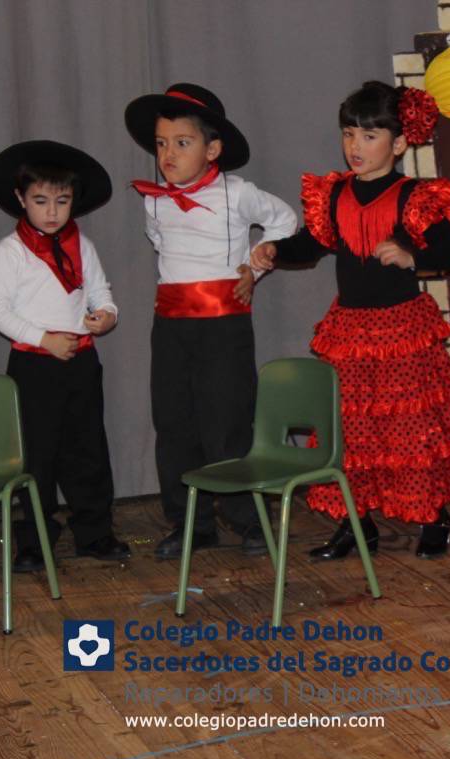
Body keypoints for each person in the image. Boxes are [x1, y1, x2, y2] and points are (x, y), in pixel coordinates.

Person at [252, 81, 450, 560]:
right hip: (351, 331)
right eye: (349, 134)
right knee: (350, 432)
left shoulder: (413, 197)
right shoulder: (335, 194)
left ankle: (432, 515)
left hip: (402, 331)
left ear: (399, 144)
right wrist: (277, 249)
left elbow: (449, 253)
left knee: (409, 428)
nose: (356, 146)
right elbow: (313, 244)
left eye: (370, 136)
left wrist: (410, 254)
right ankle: (357, 523)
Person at [125, 83, 298, 559]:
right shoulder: (154, 201)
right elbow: (163, 246)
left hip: (223, 325)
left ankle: (247, 519)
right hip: (172, 325)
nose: (168, 154)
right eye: (161, 144)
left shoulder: (237, 193)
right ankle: (189, 522)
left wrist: (254, 265)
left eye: (182, 142)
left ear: (213, 148)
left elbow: (285, 220)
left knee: (227, 422)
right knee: (175, 422)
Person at [0, 140, 127, 571]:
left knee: (87, 448)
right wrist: (43, 338)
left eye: (61, 201)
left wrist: (106, 315)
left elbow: (99, 290)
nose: (51, 212)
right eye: (41, 201)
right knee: (37, 454)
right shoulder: (10, 251)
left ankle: (94, 532)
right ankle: (33, 539)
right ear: (20, 199)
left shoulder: (82, 245)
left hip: (81, 361)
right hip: (35, 366)